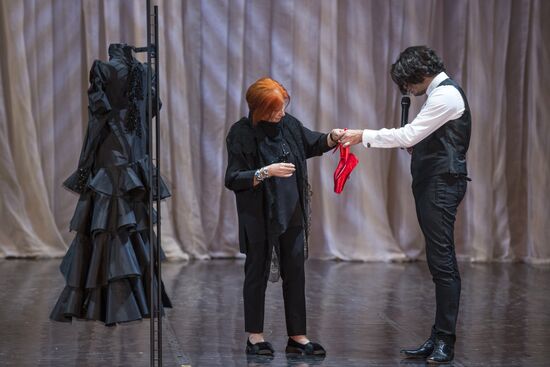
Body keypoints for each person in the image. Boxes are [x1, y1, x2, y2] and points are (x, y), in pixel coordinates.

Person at [340, 46, 471, 364]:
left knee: (443, 263)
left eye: (408, 84)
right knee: (438, 262)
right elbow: (422, 137)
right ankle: (437, 336)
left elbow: (409, 134)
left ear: (420, 75)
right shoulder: (438, 94)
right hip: (433, 183)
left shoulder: (445, 96)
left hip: (441, 185)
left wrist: (363, 135)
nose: (407, 91)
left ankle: (445, 341)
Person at [225, 77, 343, 357]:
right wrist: (267, 171)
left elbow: (312, 143)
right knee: (256, 273)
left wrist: (332, 137)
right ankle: (255, 337)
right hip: (259, 215)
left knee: (295, 274)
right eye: (276, 108)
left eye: (283, 106)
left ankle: (297, 337)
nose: (281, 112)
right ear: (261, 109)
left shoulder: (289, 125)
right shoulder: (241, 133)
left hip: (291, 213)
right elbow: (233, 178)